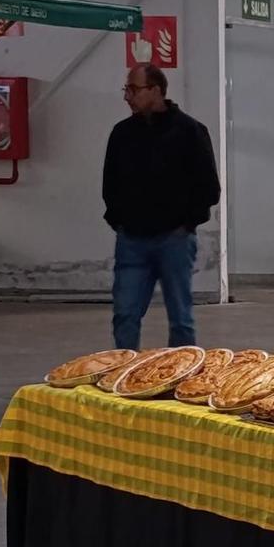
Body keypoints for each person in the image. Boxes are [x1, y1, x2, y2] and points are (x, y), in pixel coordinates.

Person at [102, 63, 220, 351]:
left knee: (181, 318)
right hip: (131, 240)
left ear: (156, 90)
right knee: (125, 314)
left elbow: (209, 188)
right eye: (126, 89)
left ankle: (180, 376)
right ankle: (123, 376)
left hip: (175, 240)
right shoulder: (122, 134)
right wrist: (120, 220)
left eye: (133, 89)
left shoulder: (190, 131)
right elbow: (110, 185)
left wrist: (185, 222)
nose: (127, 96)